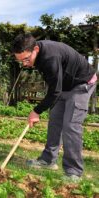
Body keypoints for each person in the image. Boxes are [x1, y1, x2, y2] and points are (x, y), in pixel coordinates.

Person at [12, 33, 97, 182]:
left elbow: (54, 91)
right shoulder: (36, 53)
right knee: (55, 122)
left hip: (81, 83)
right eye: (21, 61)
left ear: (36, 49)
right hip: (64, 85)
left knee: (70, 126)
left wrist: (36, 111)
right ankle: (48, 160)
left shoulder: (49, 57)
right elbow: (55, 86)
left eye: (26, 59)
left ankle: (73, 171)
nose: (25, 64)